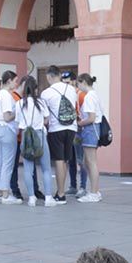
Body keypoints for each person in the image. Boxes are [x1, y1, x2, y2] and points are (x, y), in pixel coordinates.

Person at [41, 65, 78, 205]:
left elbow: (45, 113)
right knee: (65, 160)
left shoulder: (46, 93)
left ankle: (61, 194)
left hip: (56, 128)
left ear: (50, 76)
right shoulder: (71, 89)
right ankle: (61, 190)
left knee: (58, 160)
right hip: (72, 127)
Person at [15, 75, 53, 207]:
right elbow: (47, 119)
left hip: (26, 135)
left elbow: (17, 123)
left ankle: (31, 198)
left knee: (27, 169)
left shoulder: (19, 103)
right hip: (40, 135)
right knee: (46, 168)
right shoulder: (41, 102)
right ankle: (48, 198)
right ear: (35, 88)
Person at [0, 70, 21, 205]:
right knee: (8, 163)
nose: (17, 83)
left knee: (0, 161)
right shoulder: (7, 96)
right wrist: (18, 111)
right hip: (7, 129)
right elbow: (8, 117)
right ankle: (5, 194)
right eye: (15, 81)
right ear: (9, 81)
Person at [75, 73, 103, 202]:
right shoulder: (94, 95)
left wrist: (78, 123)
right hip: (92, 129)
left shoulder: (89, 97)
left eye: (78, 84)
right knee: (88, 161)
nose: (78, 87)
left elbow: (91, 118)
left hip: (90, 129)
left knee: (91, 162)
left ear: (83, 82)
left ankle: (94, 192)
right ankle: (95, 190)